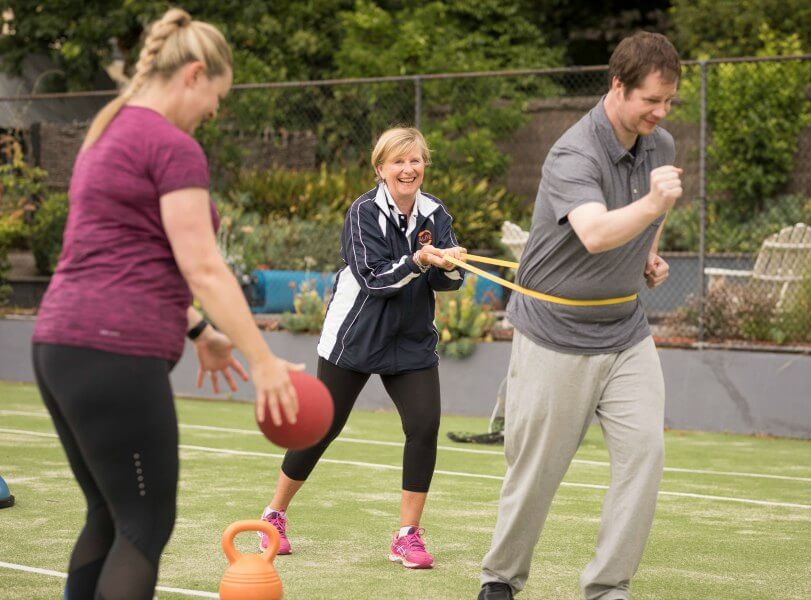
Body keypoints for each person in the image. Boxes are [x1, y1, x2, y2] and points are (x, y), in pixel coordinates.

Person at [31, 9, 301, 599]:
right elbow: (201, 262)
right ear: (194, 74)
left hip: (57, 347)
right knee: (145, 526)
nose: (214, 112)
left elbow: (130, 256)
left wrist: (200, 329)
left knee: (107, 514)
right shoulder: (172, 146)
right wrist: (264, 361)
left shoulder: (106, 133)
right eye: (217, 97)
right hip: (113, 354)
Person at [478, 32, 683, 600]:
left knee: (645, 455)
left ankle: (608, 587)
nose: (661, 113)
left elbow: (649, 215)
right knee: (535, 474)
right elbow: (593, 233)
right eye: (651, 100)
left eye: (669, 101)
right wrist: (652, 206)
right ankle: (500, 581)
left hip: (625, 333)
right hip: (554, 336)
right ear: (617, 86)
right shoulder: (574, 151)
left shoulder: (658, 144)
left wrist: (646, 253)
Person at [257, 127, 466, 569]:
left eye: (416, 161)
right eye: (398, 162)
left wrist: (451, 266)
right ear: (381, 169)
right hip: (357, 334)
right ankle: (274, 514)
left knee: (424, 426)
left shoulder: (436, 213)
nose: (408, 169)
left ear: (424, 164)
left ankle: (406, 536)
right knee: (321, 428)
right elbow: (374, 278)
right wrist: (418, 260)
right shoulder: (362, 212)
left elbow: (446, 283)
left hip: (410, 339)